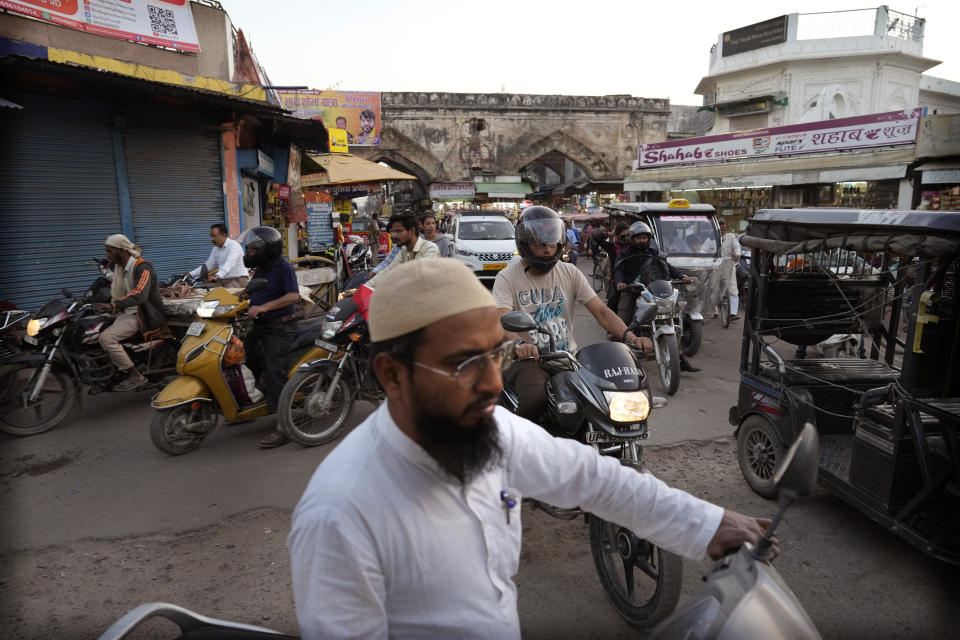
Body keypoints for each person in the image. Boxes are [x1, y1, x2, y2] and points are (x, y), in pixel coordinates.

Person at [288, 258, 777, 638]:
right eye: (464, 365)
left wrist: (706, 523)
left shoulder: (493, 430)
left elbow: (593, 477)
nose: (490, 383)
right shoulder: (340, 516)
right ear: (391, 375)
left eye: (494, 355)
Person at [492, 206, 653, 421]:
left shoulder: (569, 272)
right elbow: (503, 320)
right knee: (534, 399)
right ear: (524, 243)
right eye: (540, 244)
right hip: (528, 361)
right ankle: (517, 444)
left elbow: (601, 311)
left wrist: (631, 337)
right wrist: (520, 345)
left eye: (552, 242)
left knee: (600, 399)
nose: (548, 249)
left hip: (568, 358)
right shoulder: (507, 277)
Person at [239, 226, 301, 449]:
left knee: (275, 372)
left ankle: (284, 426)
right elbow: (252, 290)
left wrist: (265, 306)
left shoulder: (283, 267)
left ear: (267, 249)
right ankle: (252, 403)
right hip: (260, 326)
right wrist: (236, 296)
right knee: (245, 361)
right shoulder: (261, 267)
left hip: (280, 328)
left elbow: (293, 295)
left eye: (254, 249)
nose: (250, 253)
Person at [614, 221, 700, 373]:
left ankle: (679, 359)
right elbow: (619, 270)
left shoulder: (655, 253)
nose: (642, 241)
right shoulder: (625, 254)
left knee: (672, 319)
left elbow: (669, 268)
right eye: (639, 238)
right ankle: (618, 352)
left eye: (645, 238)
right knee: (625, 317)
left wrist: (682, 276)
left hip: (655, 290)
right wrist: (621, 282)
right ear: (632, 239)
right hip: (634, 290)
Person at [98, 234, 167, 391]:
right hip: (126, 312)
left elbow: (140, 295)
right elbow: (113, 286)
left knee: (106, 338)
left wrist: (113, 305)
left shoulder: (142, 267)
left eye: (110, 251)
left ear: (122, 251)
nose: (107, 255)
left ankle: (136, 375)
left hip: (142, 313)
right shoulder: (120, 268)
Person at [364, 212, 440, 288]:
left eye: (399, 231)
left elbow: (420, 277)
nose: (394, 236)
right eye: (393, 232)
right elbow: (388, 271)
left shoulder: (430, 249)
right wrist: (365, 288)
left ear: (412, 230)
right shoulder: (404, 250)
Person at [189, 224, 249, 288]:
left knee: (225, 294)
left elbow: (229, 263)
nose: (212, 239)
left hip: (238, 279)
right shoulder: (215, 249)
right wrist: (190, 274)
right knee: (203, 289)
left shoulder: (234, 245)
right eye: (211, 236)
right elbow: (209, 264)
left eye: (214, 236)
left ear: (224, 235)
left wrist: (217, 276)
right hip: (222, 280)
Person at [717, 218, 741, 321]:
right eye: (720, 230)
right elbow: (705, 249)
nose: (722, 232)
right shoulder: (712, 238)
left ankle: (733, 313)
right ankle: (715, 310)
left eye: (724, 230)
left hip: (730, 266)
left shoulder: (731, 237)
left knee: (733, 289)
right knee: (715, 288)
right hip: (717, 267)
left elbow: (737, 247)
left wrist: (737, 254)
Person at [606, 222, 631, 312]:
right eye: (623, 236)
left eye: (628, 235)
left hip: (632, 281)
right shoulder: (612, 247)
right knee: (612, 307)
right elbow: (596, 236)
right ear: (617, 235)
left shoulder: (633, 246)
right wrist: (610, 234)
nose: (626, 238)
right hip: (617, 282)